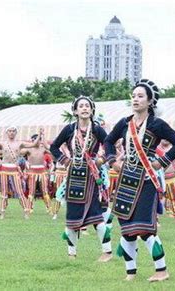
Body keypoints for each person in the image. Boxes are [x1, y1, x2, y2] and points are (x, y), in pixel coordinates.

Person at [104, 79, 175, 282]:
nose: (135, 99)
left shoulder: (157, 124)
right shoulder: (124, 122)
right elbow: (108, 141)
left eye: (140, 96)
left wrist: (162, 161)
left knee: (146, 229)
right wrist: (112, 161)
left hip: (146, 180)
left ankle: (161, 270)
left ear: (150, 101)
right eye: (133, 96)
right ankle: (130, 273)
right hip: (126, 179)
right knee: (127, 231)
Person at [50, 96, 112, 262]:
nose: (84, 108)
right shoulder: (69, 129)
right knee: (72, 217)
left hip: (92, 175)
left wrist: (100, 160)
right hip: (74, 176)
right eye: (81, 106)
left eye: (87, 106)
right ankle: (72, 253)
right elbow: (53, 147)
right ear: (75, 111)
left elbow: (110, 146)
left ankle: (107, 251)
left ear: (92, 110)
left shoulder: (97, 130)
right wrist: (66, 161)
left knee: (96, 216)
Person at [0, 127, 41, 219]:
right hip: (4, 168)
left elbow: (33, 144)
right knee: (4, 191)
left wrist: (40, 134)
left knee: (19, 191)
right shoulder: (2, 143)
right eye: (10, 131)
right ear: (7, 132)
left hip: (14, 169)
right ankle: (3, 212)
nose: (11, 133)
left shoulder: (20, 143)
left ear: (16, 132)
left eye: (13, 131)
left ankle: (26, 211)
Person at [21, 134, 53, 214]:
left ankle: (49, 208)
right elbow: (20, 152)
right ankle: (29, 208)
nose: (36, 141)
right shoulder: (29, 149)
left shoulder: (43, 149)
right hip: (32, 172)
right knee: (31, 191)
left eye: (38, 140)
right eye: (34, 140)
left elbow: (52, 152)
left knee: (45, 191)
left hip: (42, 172)